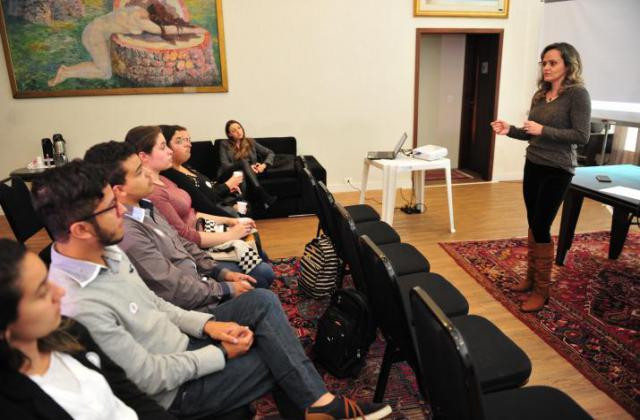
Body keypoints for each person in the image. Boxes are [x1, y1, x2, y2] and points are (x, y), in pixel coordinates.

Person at [30, 161, 392, 419]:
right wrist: (220, 355)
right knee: (278, 353)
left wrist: (208, 328)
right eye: (111, 209)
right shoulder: (78, 303)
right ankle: (320, 406)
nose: (121, 213)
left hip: (185, 344)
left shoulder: (106, 250)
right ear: (79, 229)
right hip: (178, 391)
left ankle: (318, 406)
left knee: (263, 302)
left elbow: (156, 304)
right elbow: (149, 378)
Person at [84, 141, 273, 309]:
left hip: (199, 277)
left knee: (259, 273)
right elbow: (172, 288)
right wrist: (223, 287)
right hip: (195, 301)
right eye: (164, 146)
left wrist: (220, 272)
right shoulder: (129, 230)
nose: (148, 176)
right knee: (263, 288)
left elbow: (180, 242)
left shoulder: (146, 204)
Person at [0, 239, 175, 420]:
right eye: (42, 292)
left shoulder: (70, 331)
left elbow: (130, 395)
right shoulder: (12, 407)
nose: (59, 292)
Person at [491, 42, 591, 312]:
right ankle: (530, 278)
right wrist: (509, 129)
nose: (546, 67)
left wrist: (543, 129)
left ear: (568, 65)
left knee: (542, 225)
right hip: (533, 163)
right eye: (544, 63)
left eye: (553, 63)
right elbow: (530, 132)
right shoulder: (540, 95)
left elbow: (582, 136)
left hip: (558, 169)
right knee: (533, 223)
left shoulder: (578, 95)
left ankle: (541, 290)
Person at [124, 125, 253, 249]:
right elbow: (184, 236)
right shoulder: (156, 189)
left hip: (203, 227)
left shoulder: (166, 178)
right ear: (143, 156)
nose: (170, 151)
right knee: (258, 262)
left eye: (188, 140)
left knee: (248, 230)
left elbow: (194, 212)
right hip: (197, 241)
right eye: (164, 147)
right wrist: (230, 232)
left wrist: (230, 221)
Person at [48, 0, 206, 87]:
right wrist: (194, 31)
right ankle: (66, 72)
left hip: (95, 30)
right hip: (93, 35)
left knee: (106, 65)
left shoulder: (136, 9)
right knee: (105, 73)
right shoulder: (142, 21)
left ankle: (68, 71)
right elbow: (167, 30)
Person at [160, 124, 243, 218]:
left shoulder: (185, 166)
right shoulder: (171, 174)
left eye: (188, 140)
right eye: (180, 141)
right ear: (166, 147)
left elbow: (207, 188)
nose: (189, 144)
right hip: (213, 218)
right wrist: (235, 220)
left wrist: (228, 195)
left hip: (220, 206)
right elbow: (203, 204)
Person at [219, 120, 278, 210]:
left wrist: (263, 165)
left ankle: (243, 207)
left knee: (241, 173)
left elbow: (270, 153)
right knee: (243, 163)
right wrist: (246, 166)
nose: (238, 131)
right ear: (229, 134)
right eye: (234, 130)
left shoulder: (250, 142)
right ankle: (261, 192)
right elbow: (225, 165)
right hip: (229, 174)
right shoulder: (224, 144)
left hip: (247, 174)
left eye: (239, 128)